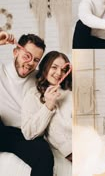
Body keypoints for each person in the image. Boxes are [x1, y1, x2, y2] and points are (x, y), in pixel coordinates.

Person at [0, 32, 54, 176]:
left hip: (22, 134)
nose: (31, 63)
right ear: (15, 52)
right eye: (27, 56)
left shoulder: (38, 79)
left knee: (44, 154)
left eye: (36, 60)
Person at [21, 51, 72, 162]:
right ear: (45, 67)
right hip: (70, 150)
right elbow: (28, 133)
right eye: (54, 67)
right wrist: (48, 106)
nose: (59, 73)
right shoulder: (33, 95)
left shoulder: (70, 92)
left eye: (63, 70)